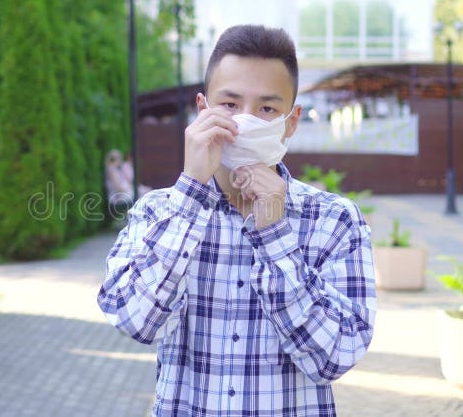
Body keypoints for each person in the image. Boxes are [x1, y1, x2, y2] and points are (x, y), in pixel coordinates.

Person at [97, 25, 376, 416]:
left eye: (266, 109)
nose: (244, 121)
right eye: (229, 105)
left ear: (290, 122)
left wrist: (275, 235)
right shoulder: (157, 211)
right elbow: (134, 320)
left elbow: (335, 357)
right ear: (201, 109)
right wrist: (191, 193)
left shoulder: (334, 221)